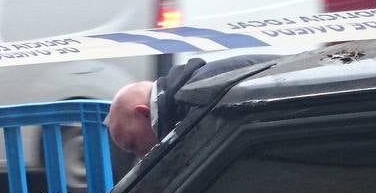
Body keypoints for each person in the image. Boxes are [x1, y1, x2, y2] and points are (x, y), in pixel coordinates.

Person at [105, 54, 280, 158]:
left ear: (143, 113)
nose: (140, 156)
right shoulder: (193, 90)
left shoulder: (197, 100)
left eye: (133, 145)